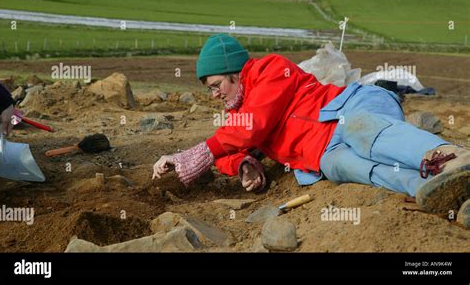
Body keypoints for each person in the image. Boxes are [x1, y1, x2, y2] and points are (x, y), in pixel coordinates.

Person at [152, 34, 469, 214]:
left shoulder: (269, 70)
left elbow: (254, 125)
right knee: (341, 166)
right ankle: (432, 189)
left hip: (349, 109)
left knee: (361, 133)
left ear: (235, 73)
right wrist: (243, 163)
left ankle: (451, 158)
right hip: (324, 151)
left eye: (216, 84)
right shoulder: (237, 117)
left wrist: (197, 153)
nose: (214, 94)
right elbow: (230, 146)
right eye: (209, 88)